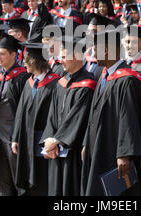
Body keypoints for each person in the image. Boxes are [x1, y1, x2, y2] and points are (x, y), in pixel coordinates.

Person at [81, 29, 141, 196]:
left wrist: (124, 154)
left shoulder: (127, 81)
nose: (92, 53)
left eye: (95, 49)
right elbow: (93, 112)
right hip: (97, 145)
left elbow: (129, 118)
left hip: (114, 151)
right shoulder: (104, 75)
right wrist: (85, 142)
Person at [40, 35, 96, 196]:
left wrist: (57, 140)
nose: (60, 60)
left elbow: (77, 117)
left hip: (74, 150)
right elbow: (52, 114)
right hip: (55, 149)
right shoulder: (62, 82)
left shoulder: (88, 85)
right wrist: (48, 140)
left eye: (64, 57)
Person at [0, 34, 29, 196]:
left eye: (2, 54)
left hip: (13, 132)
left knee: (18, 176)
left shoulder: (22, 76)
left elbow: (24, 108)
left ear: (13, 55)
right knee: (3, 175)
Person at [12, 42, 60, 196]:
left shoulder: (55, 83)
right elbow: (20, 112)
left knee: (42, 181)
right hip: (27, 139)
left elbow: (56, 116)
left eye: (27, 60)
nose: (24, 63)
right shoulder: (29, 82)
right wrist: (15, 137)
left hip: (42, 140)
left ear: (36, 61)